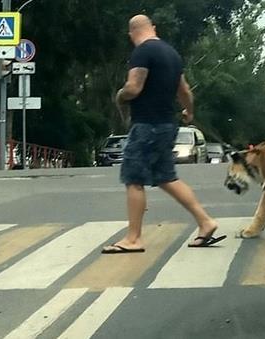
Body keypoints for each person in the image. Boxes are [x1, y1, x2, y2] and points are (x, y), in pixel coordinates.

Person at [102, 14, 226, 254]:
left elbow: (133, 87)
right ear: (153, 28)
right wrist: (189, 113)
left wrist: (120, 96)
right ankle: (206, 222)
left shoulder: (142, 52)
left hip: (146, 125)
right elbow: (185, 91)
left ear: (131, 34)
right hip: (168, 125)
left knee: (134, 179)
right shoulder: (171, 54)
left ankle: (133, 238)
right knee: (166, 178)